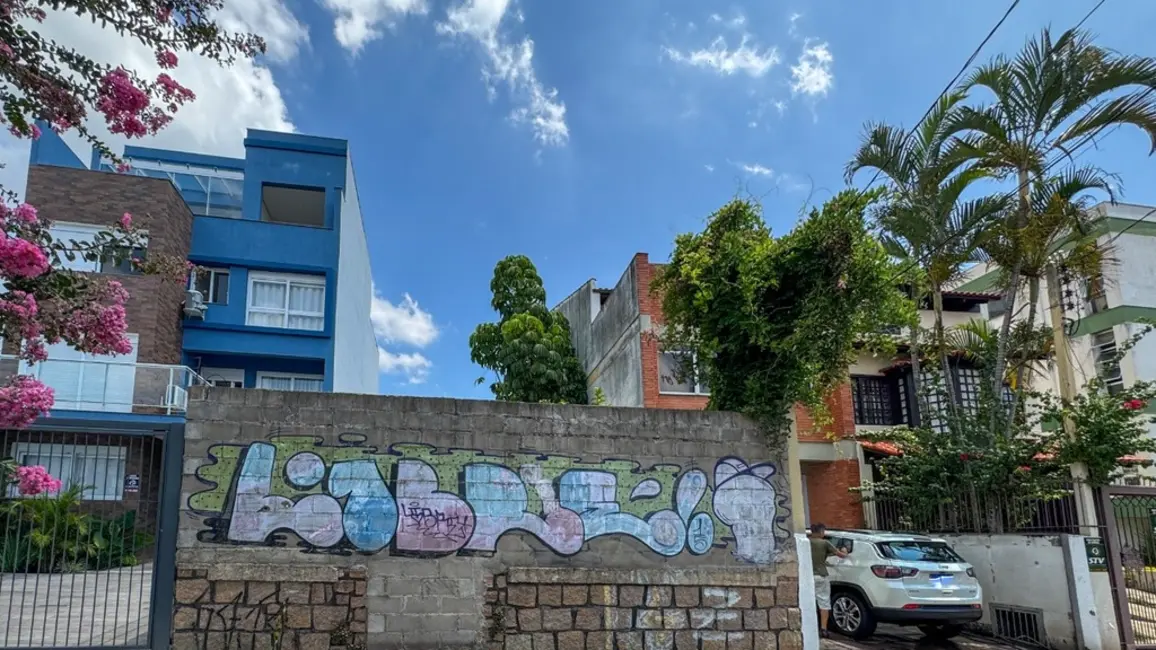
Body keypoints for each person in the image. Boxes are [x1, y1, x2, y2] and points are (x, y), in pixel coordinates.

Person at [809, 522, 848, 638]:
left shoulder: (805, 542)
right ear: (821, 531)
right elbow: (841, 555)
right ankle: (824, 629)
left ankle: (808, 626)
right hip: (821, 575)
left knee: (807, 602)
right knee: (824, 602)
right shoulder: (825, 543)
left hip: (807, 577)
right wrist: (845, 550)